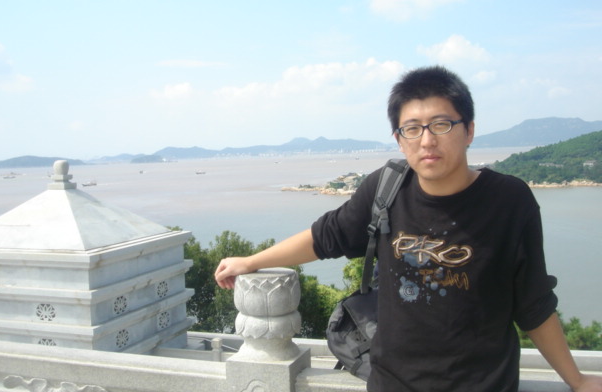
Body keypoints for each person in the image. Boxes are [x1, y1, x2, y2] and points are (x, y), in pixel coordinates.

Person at [215, 66, 602, 392]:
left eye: (442, 124)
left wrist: (577, 380)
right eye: (412, 129)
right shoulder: (386, 188)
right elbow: (325, 237)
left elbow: (533, 303)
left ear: (469, 130)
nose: (427, 140)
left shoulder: (509, 201)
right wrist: (251, 261)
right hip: (393, 383)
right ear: (399, 140)